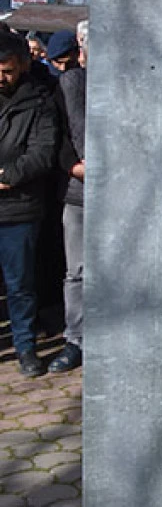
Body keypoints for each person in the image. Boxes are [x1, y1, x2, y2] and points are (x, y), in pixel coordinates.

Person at [0, 30, 57, 377]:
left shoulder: (39, 102)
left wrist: (8, 174)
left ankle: (25, 347)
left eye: (6, 70)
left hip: (19, 207)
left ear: (21, 67)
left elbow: (43, 151)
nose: (0, 76)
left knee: (20, 284)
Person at [48, 21, 88, 374]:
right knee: (76, 271)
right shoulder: (68, 85)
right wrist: (74, 166)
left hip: (123, 195)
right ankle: (75, 339)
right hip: (78, 193)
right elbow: (56, 135)